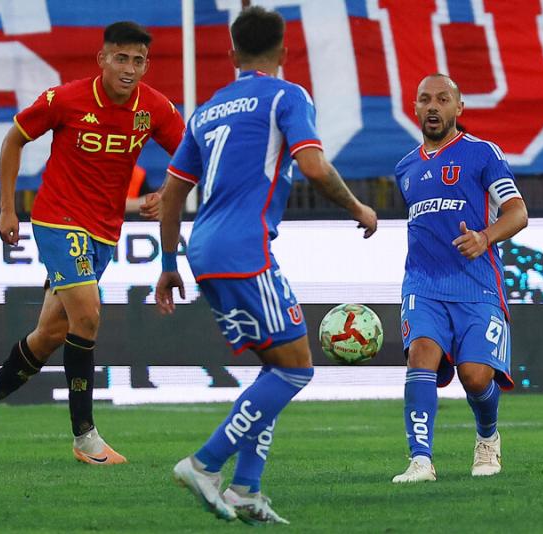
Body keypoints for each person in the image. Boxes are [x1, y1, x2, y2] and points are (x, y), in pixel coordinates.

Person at [155, 6, 377, 525]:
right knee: (297, 368)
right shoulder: (287, 95)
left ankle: (246, 488)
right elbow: (313, 165)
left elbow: (171, 193)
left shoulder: (206, 110)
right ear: (284, 52)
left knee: (276, 367)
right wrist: (357, 207)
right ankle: (205, 464)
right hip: (245, 249)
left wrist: (167, 262)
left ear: (232, 54)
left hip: (203, 249)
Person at [0, 21, 185, 464]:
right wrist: (7, 208)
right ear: (102, 59)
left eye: (138, 61)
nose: (129, 69)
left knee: (51, 334)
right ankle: (85, 436)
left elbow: (189, 154)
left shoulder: (154, 108)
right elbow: (14, 139)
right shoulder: (65, 99)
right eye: (121, 58)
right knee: (89, 314)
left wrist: (167, 191)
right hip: (57, 219)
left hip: (105, 231)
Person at [391, 74, 528, 483]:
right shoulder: (405, 168)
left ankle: (487, 436)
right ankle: (420, 460)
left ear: (459, 107)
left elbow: (518, 213)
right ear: (415, 108)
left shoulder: (482, 154)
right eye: (425, 99)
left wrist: (485, 237)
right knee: (420, 356)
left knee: (475, 376)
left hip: (477, 286)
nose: (433, 106)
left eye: (442, 99)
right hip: (423, 286)